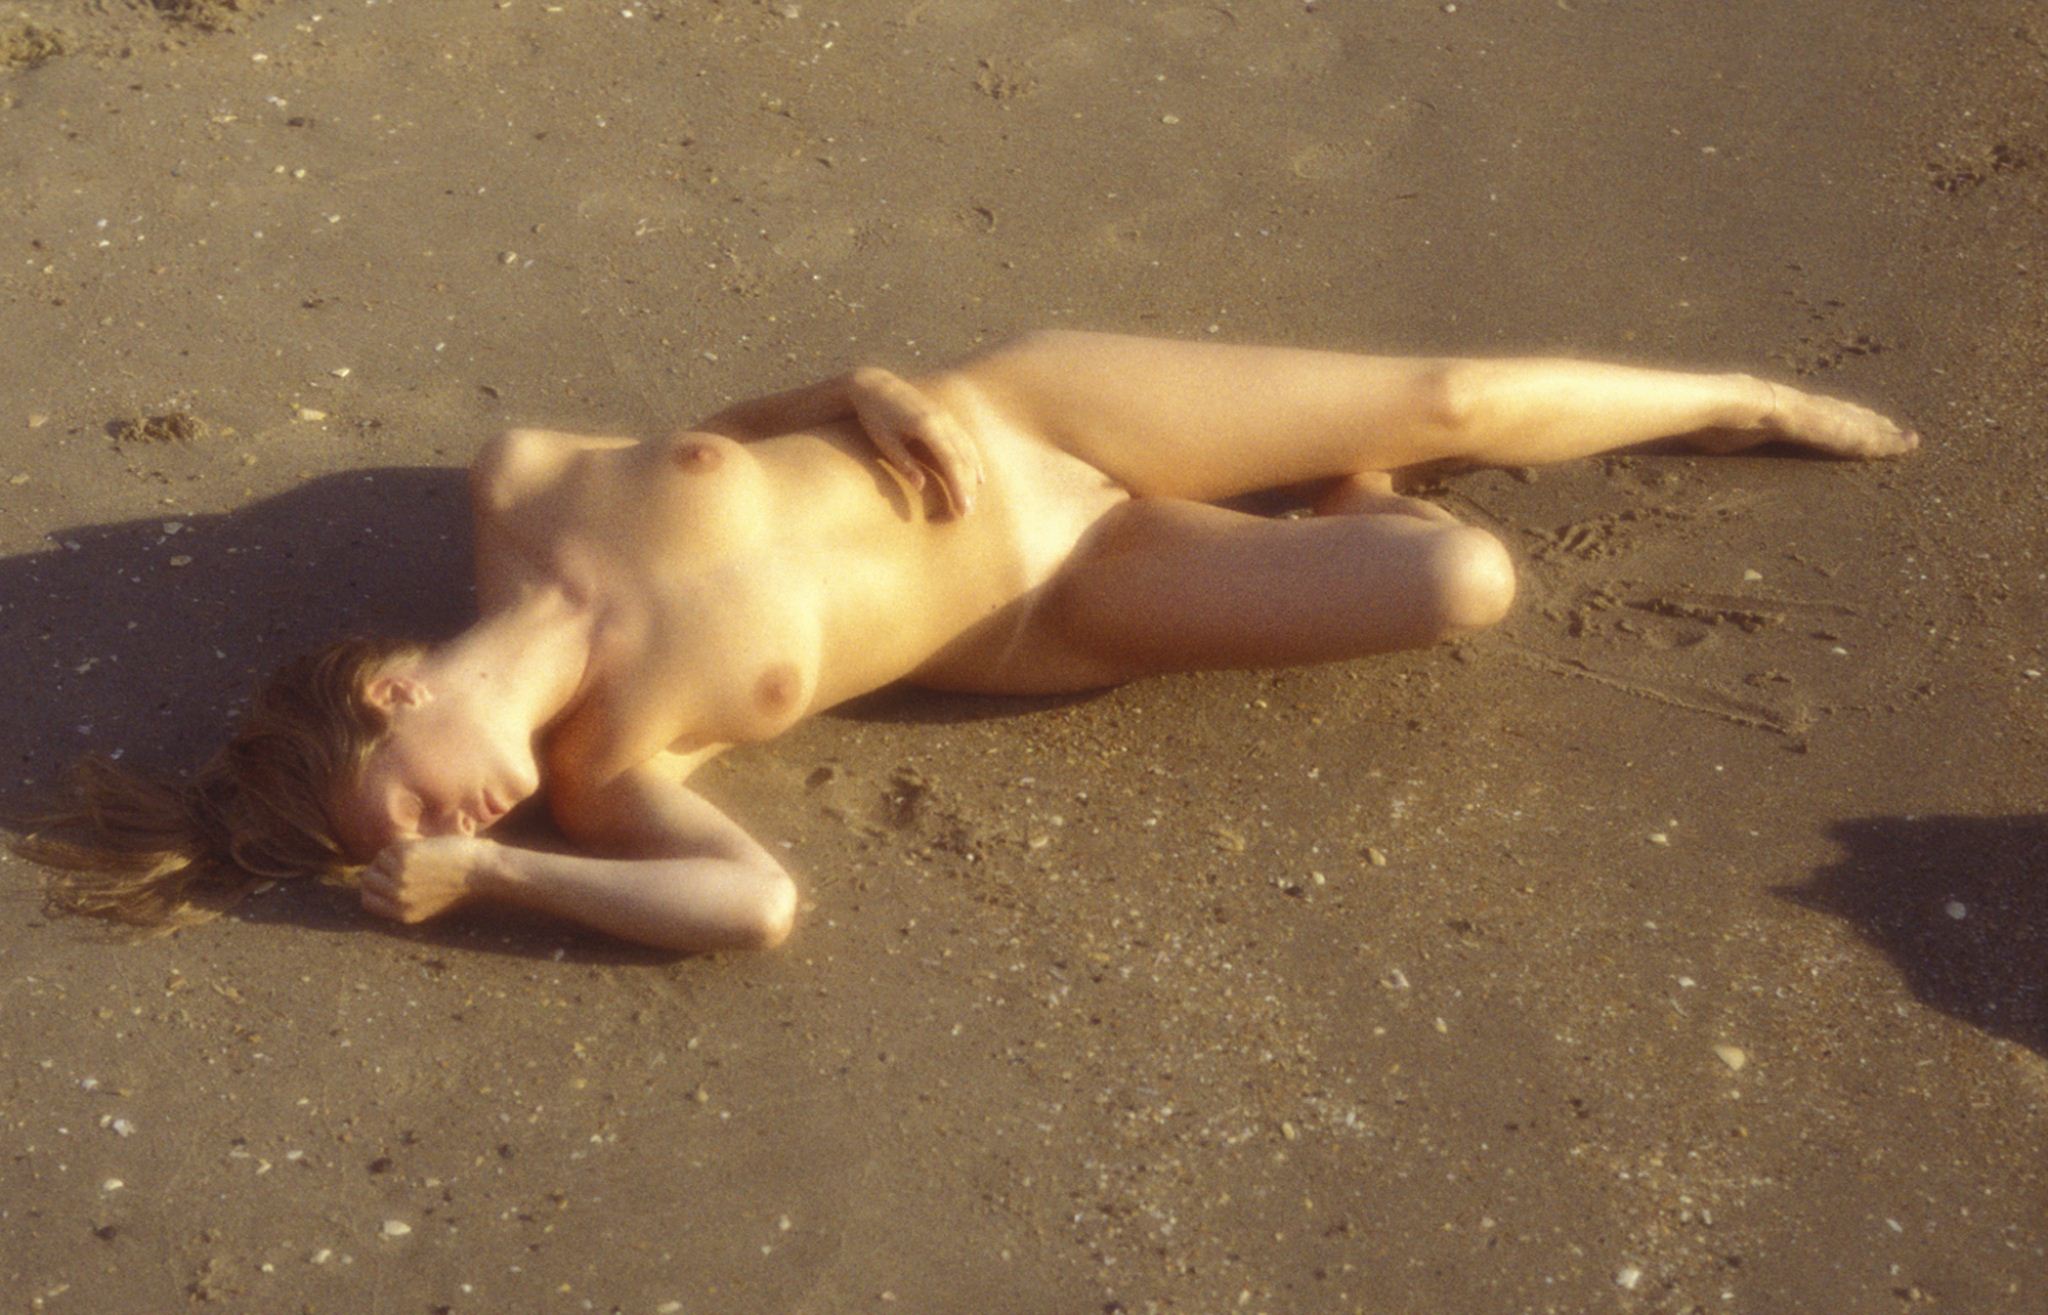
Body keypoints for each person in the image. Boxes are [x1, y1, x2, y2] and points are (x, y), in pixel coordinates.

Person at [14, 332, 1916, 951]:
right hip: (1052, 592)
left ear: (391, 692)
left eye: (411, 807)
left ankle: (1730, 396)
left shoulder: (522, 487)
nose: (447, 828)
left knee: (1450, 394)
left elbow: (730, 425)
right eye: (422, 846)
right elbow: (756, 908)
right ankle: (1360, 505)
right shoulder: (604, 780)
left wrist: (859, 382)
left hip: (1025, 417)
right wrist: (502, 875)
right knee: (1459, 584)